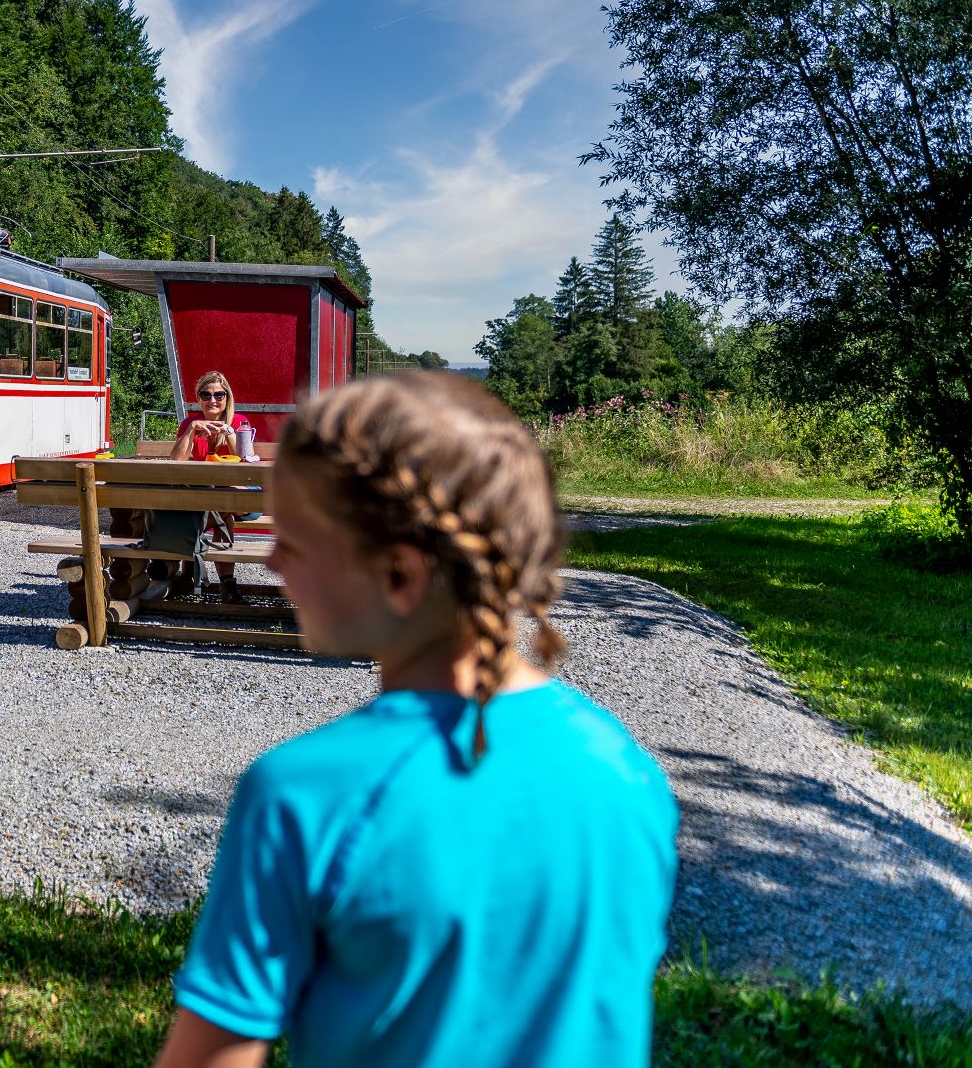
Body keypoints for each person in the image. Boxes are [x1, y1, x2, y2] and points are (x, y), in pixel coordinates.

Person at [154, 371, 677, 1068]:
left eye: (297, 541)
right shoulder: (629, 774)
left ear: (400, 573)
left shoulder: (301, 795)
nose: (274, 559)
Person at [166, 370, 244, 601]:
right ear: (198, 398)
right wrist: (191, 431)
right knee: (223, 516)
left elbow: (246, 463)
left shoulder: (239, 422)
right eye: (206, 395)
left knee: (222, 505)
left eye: (219, 395)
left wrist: (228, 432)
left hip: (238, 497)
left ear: (227, 398)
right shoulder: (191, 423)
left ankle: (185, 559)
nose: (213, 400)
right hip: (204, 496)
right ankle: (228, 585)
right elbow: (176, 461)